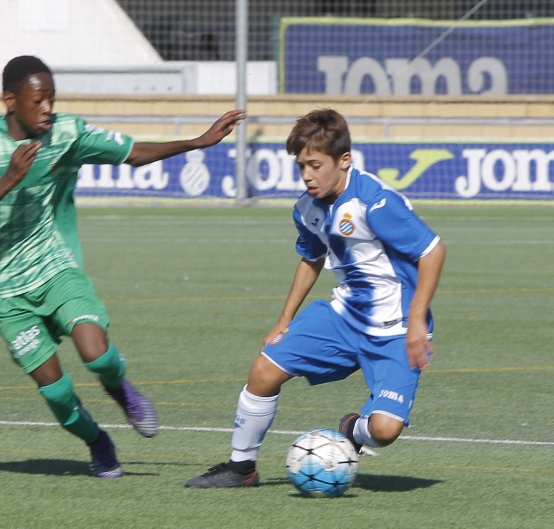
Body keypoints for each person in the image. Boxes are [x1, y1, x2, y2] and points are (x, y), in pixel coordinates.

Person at [0, 55, 245, 479]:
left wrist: (196, 142)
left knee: (95, 351)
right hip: (6, 292)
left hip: (55, 269)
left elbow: (133, 153)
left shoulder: (67, 133)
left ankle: (121, 389)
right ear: (10, 101)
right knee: (57, 390)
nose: (48, 108)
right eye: (38, 100)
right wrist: (9, 178)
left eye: (52, 98)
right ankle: (98, 441)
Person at [185, 108, 446, 488]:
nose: (307, 174)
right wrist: (283, 320)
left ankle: (352, 431)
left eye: (315, 165)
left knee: (385, 430)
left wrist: (418, 320)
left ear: (343, 161)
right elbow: (310, 259)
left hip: (397, 328)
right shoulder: (306, 208)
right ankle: (241, 468)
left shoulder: (374, 202)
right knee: (263, 370)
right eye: (301, 165)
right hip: (342, 317)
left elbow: (433, 251)